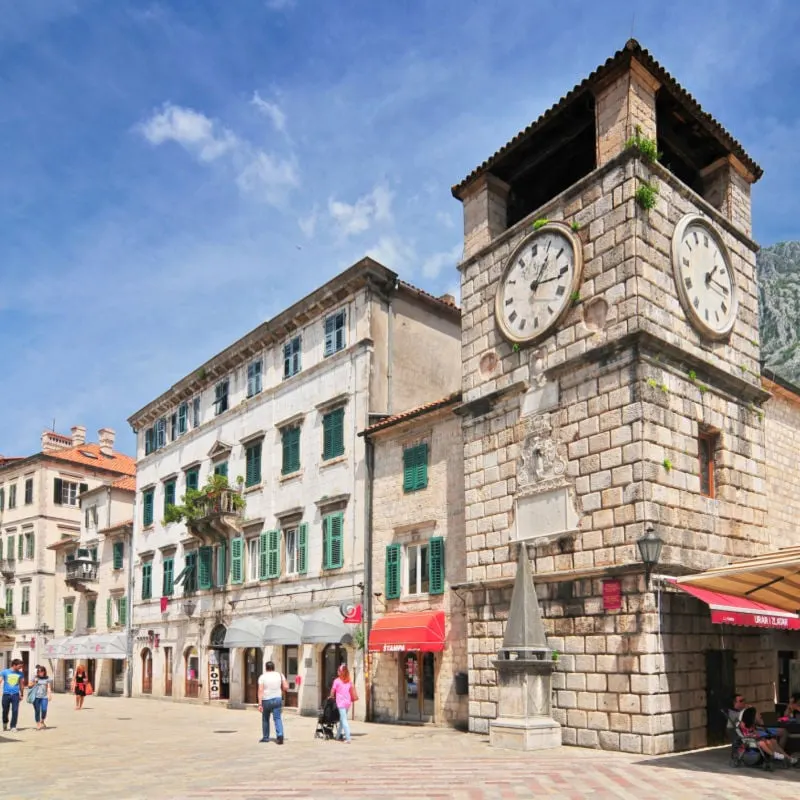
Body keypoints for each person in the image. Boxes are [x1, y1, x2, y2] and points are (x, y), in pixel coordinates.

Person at [257, 661, 288, 744]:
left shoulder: (262, 677)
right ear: (274, 667)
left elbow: (260, 690)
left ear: (266, 668)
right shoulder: (280, 675)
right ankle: (280, 735)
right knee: (277, 718)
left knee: (265, 719)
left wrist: (260, 704)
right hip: (277, 699)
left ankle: (266, 737)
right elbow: (286, 687)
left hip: (266, 700)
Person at [330, 664, 357, 744]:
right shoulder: (349, 681)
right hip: (348, 703)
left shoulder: (337, 681)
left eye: (338, 670)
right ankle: (338, 736)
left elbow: (332, 691)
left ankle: (348, 738)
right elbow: (351, 690)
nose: (337, 671)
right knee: (342, 720)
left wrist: (331, 696)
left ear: (341, 672)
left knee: (344, 720)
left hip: (341, 703)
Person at [0, 658, 26, 732]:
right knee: (5, 710)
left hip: (15, 695)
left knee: (15, 710)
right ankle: (5, 722)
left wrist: (22, 694)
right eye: (19, 666)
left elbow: (21, 684)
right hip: (6, 694)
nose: (20, 668)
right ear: (14, 665)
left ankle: (13, 726)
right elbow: (0, 680)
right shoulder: (5, 672)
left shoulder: (20, 673)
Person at [31, 665, 53, 730]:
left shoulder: (47, 678)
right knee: (37, 711)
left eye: (41, 671)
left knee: (44, 710)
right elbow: (29, 685)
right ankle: (38, 723)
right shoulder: (35, 677)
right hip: (36, 697)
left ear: (44, 672)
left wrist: (49, 694)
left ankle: (42, 720)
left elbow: (48, 687)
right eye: (39, 671)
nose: (40, 672)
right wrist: (35, 682)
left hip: (44, 696)